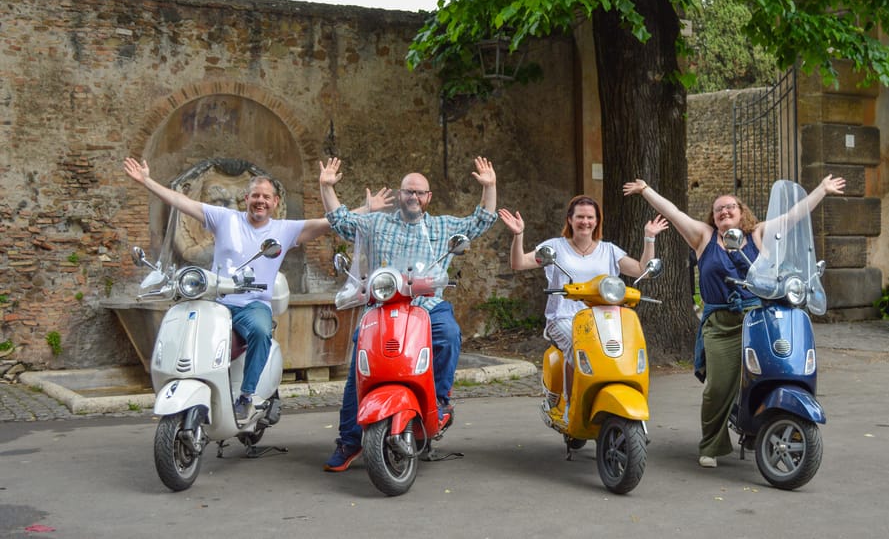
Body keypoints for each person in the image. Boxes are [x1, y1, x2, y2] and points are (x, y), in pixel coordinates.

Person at [123, 157, 392, 421]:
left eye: (266, 196)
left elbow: (327, 223)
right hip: (216, 302)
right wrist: (147, 181)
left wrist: (366, 209)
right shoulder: (224, 218)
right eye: (255, 196)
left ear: (275, 202)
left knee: (262, 331)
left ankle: (247, 397)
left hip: (252, 304)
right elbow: (182, 202)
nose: (260, 201)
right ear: (246, 199)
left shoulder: (284, 230)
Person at [622, 174, 845, 468]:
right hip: (720, 322)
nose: (724, 212)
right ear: (713, 217)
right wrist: (646, 190)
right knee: (719, 386)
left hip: (757, 317)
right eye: (719, 210)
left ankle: (761, 426)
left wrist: (822, 189)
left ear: (742, 213)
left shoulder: (758, 234)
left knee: (770, 372)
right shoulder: (703, 236)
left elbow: (793, 217)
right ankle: (711, 445)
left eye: (730, 208)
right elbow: (674, 212)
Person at [318, 156, 498, 472]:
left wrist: (490, 186)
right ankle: (349, 440)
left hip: (425, 306)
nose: (413, 197)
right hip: (381, 306)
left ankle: (439, 402)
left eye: (419, 193)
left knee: (448, 334)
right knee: (360, 362)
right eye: (408, 192)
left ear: (428, 198)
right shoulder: (376, 223)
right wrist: (326, 187)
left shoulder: (441, 226)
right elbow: (340, 220)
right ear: (400, 195)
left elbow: (480, 221)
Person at [497, 197, 669, 419]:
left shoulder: (609, 250)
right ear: (570, 219)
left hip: (605, 318)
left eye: (590, 217)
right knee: (579, 349)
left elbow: (640, 270)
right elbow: (519, 263)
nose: (585, 222)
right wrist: (518, 234)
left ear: (597, 221)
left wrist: (649, 238)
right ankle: (571, 404)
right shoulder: (555, 247)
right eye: (580, 217)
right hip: (564, 317)